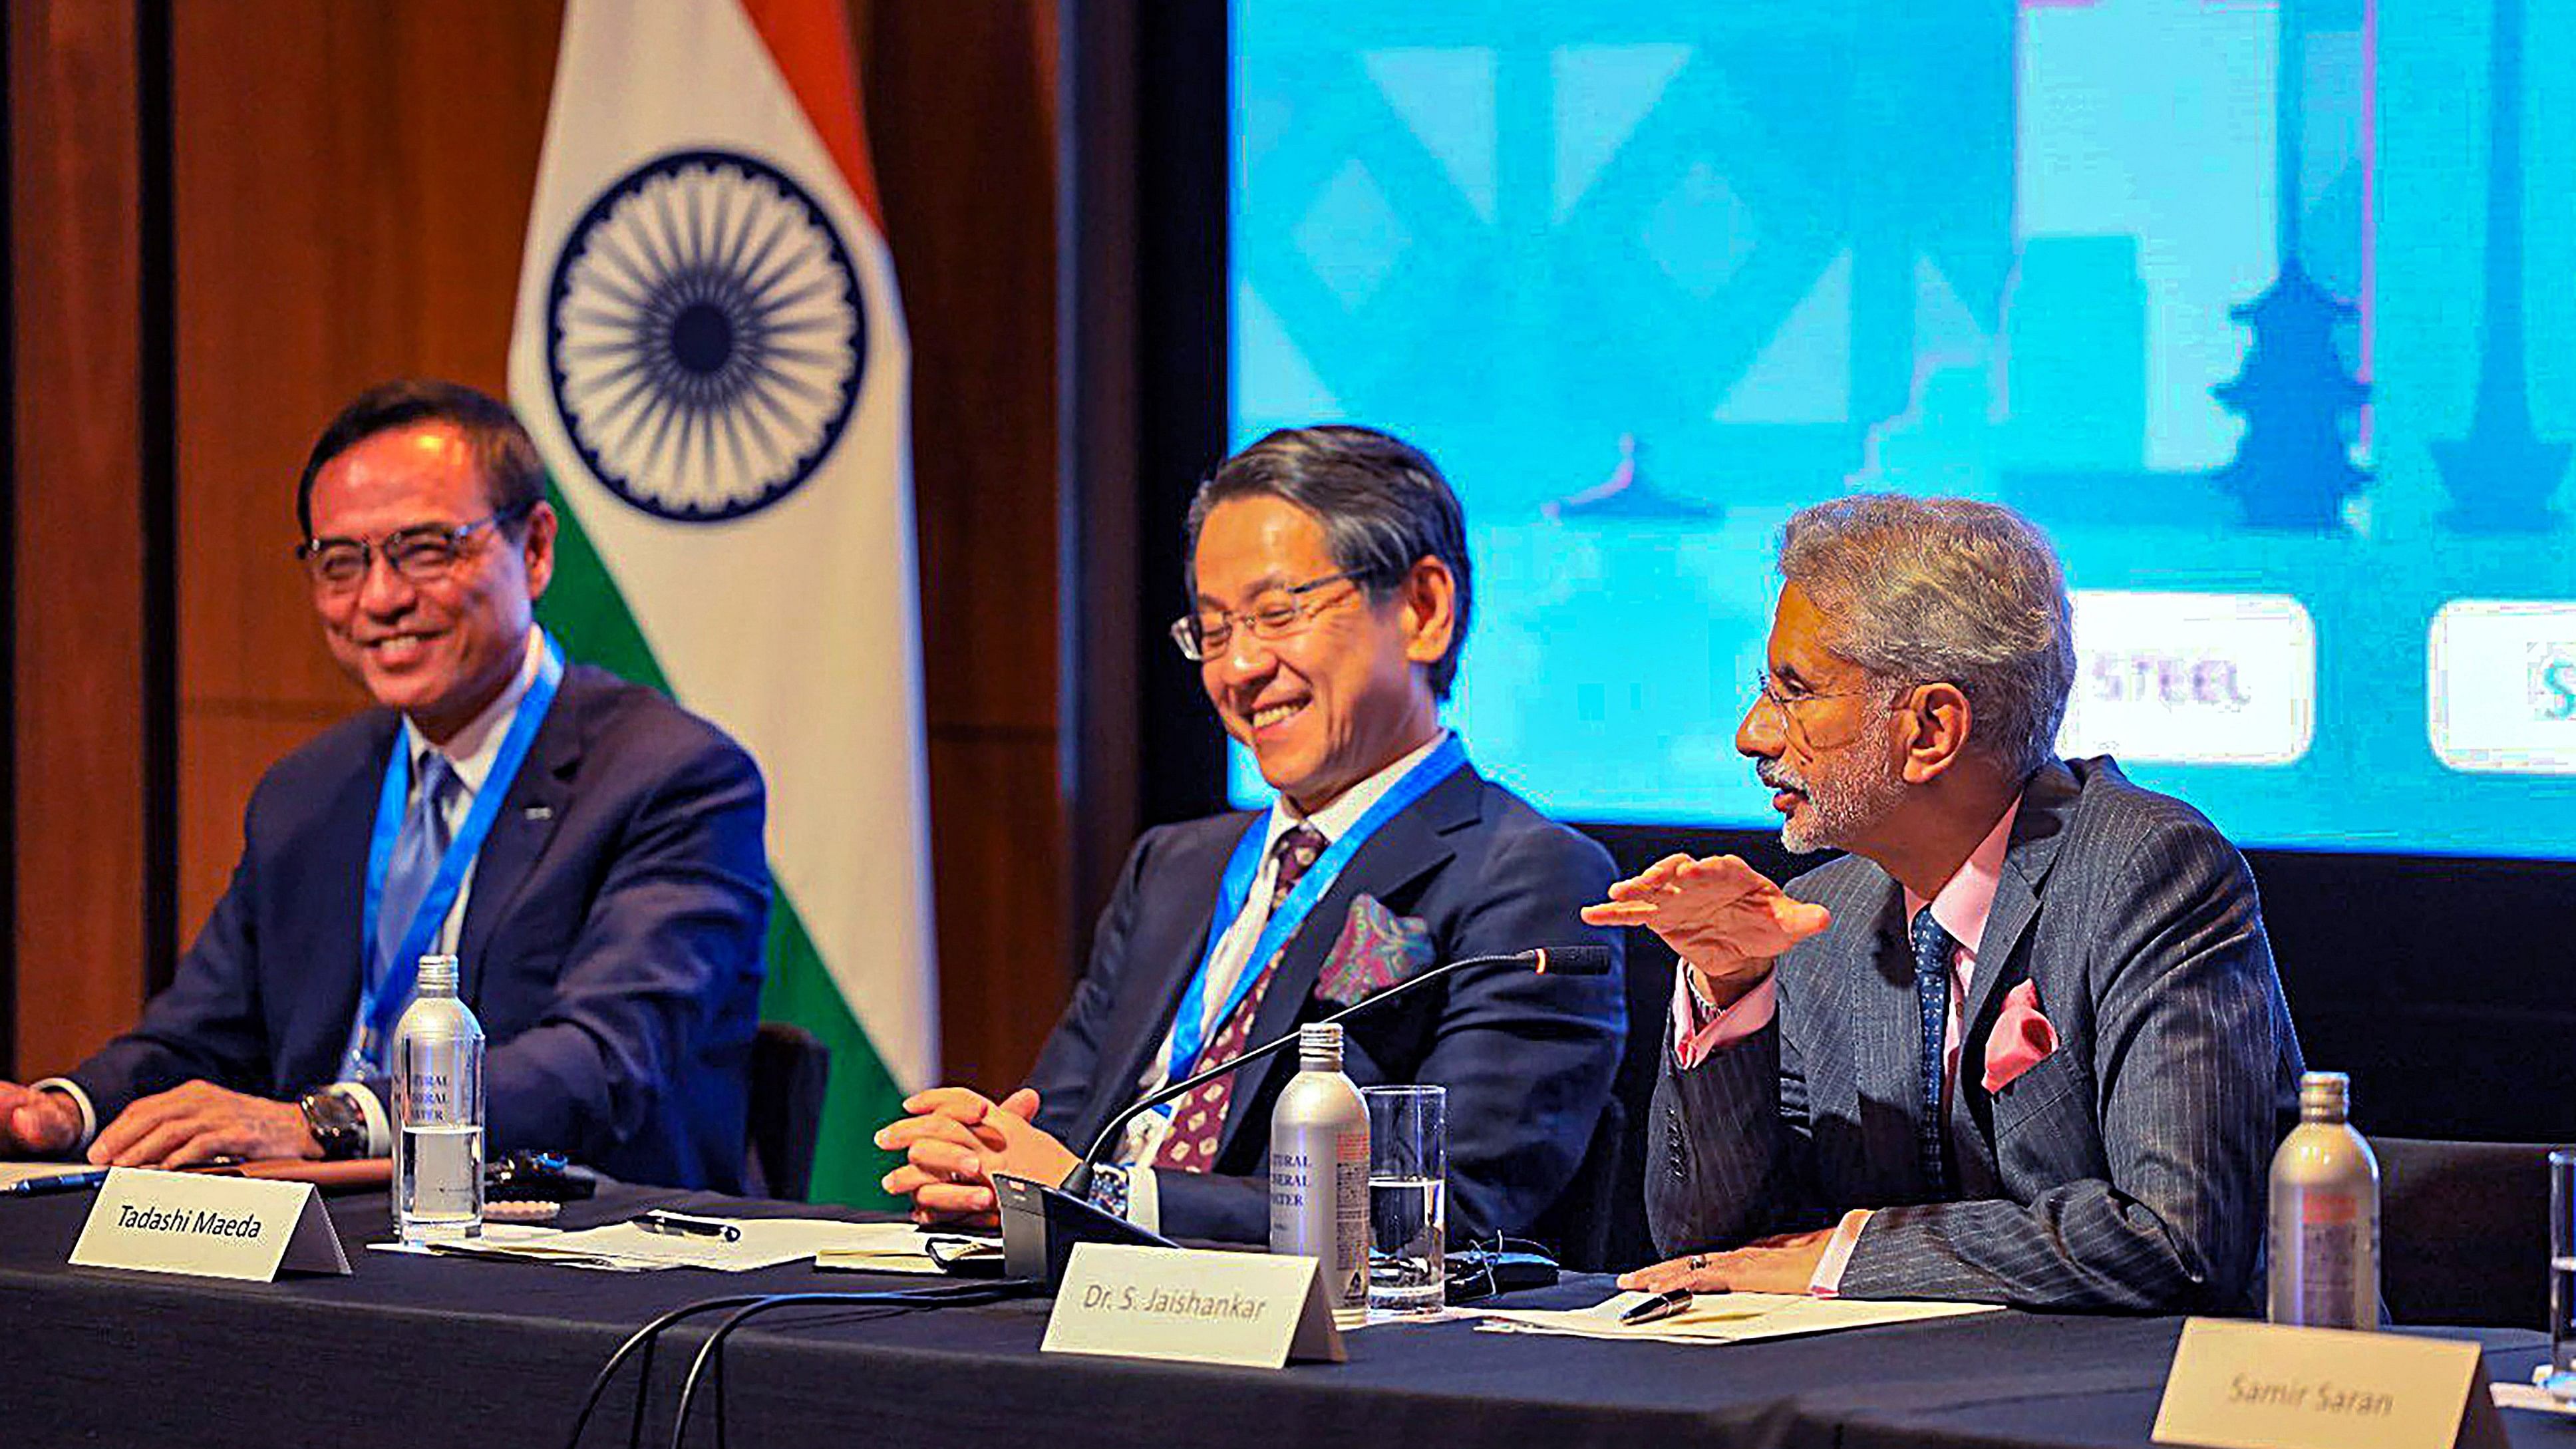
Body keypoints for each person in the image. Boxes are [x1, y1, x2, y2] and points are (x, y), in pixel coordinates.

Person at [0, 379, 770, 1190]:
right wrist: (62, 1111)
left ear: (534, 549)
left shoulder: (674, 778)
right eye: (341, 563)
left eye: (426, 550)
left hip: (561, 1249)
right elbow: (200, 1038)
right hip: (320, 1238)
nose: (381, 599)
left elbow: (601, 1062)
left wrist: (324, 1121)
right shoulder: (309, 789)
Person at [877, 425, 1625, 1243]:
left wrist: (1102, 1196)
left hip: (1310, 1354)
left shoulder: (1530, 877)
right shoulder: (1172, 866)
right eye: (1213, 630)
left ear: (1423, 610)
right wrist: (987, 1165)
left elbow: (1444, 1212)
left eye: (1277, 613)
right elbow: (1059, 1133)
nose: (1237, 669)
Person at [1588, 494, 2301, 1311]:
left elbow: (2172, 1238)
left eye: (1794, 691)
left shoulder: (2147, 872)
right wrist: (1732, 989)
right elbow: (1717, 1252)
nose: (1752, 733)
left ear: (1930, 729)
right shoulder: (1821, 912)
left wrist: (1850, 1256)